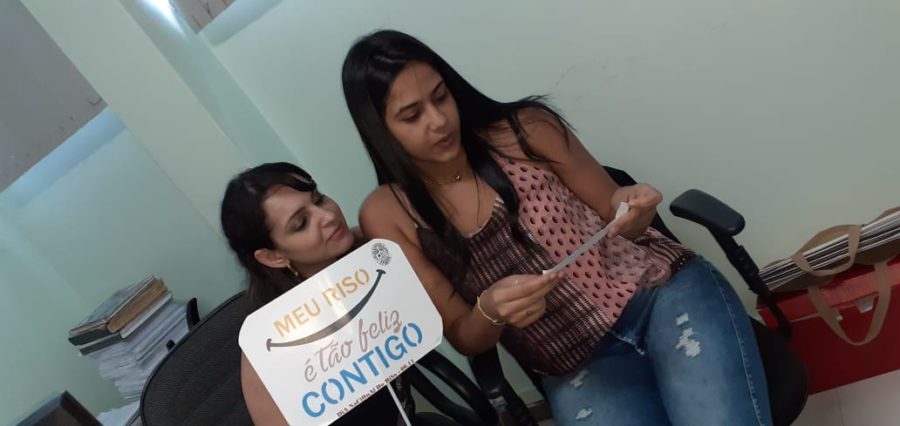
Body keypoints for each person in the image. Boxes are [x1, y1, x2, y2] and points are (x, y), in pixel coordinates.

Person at [341, 30, 773, 426]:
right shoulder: (389, 214)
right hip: (574, 361)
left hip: (660, 292)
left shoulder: (524, 130)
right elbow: (464, 336)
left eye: (441, 96)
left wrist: (632, 205)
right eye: (412, 115)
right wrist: (489, 311)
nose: (438, 121)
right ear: (381, 130)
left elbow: (615, 208)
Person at [219, 162, 415, 426]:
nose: (327, 216)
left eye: (319, 199)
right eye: (301, 223)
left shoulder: (371, 257)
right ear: (273, 256)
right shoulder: (269, 348)